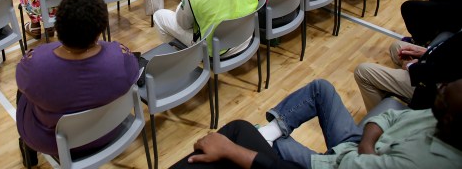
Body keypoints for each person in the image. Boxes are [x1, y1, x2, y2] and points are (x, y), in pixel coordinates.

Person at [170, 78, 462, 169]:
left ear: (450, 117)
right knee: (321, 87)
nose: (439, 86)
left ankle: (269, 136)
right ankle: (271, 133)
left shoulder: (424, 163)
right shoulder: (440, 119)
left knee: (241, 133)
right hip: (359, 147)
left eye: (443, 94)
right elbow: (389, 115)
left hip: (333, 165)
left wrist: (235, 152)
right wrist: (367, 144)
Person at [16, 0, 139, 165]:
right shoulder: (120, 56)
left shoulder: (35, 62)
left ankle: (29, 153)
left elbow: (22, 83)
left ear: (58, 28)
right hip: (108, 130)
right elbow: (133, 72)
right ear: (99, 31)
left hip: (55, 143)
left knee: (24, 94)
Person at [355, 32, 462, 112]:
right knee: (396, 47)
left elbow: (444, 72)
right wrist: (426, 52)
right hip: (439, 67)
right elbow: (453, 49)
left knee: (363, 72)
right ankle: (403, 101)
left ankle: (381, 126)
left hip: (438, 87)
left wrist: (412, 66)